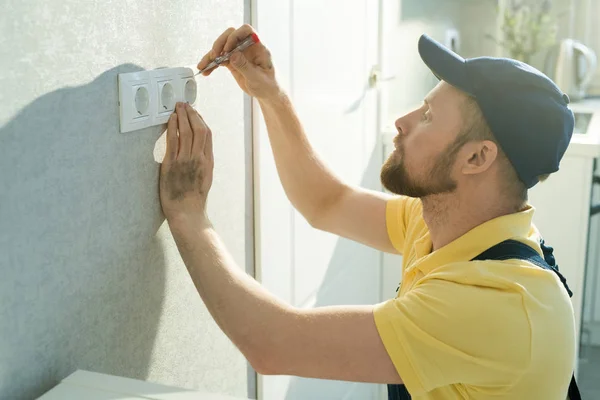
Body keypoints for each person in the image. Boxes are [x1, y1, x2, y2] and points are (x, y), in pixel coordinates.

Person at [159, 24, 577, 399]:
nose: (402, 121)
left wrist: (187, 212)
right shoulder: (449, 220)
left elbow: (274, 344)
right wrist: (272, 94)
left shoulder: (499, 304)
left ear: (476, 158)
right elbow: (327, 203)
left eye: (428, 116)